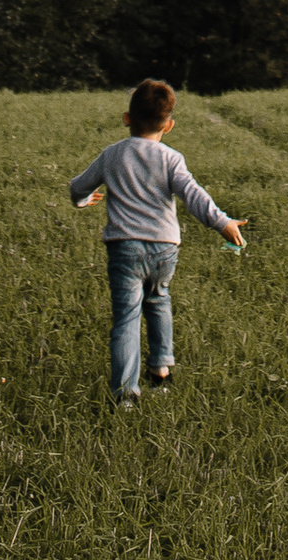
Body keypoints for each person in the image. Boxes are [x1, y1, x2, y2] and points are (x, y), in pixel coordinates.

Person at [69, 79, 246, 407]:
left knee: (127, 317)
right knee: (159, 299)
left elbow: (78, 185)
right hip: (165, 247)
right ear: (169, 125)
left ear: (126, 118)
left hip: (125, 247)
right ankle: (161, 370)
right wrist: (221, 221)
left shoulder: (112, 155)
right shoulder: (171, 158)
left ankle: (125, 396)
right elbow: (192, 194)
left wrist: (81, 200)